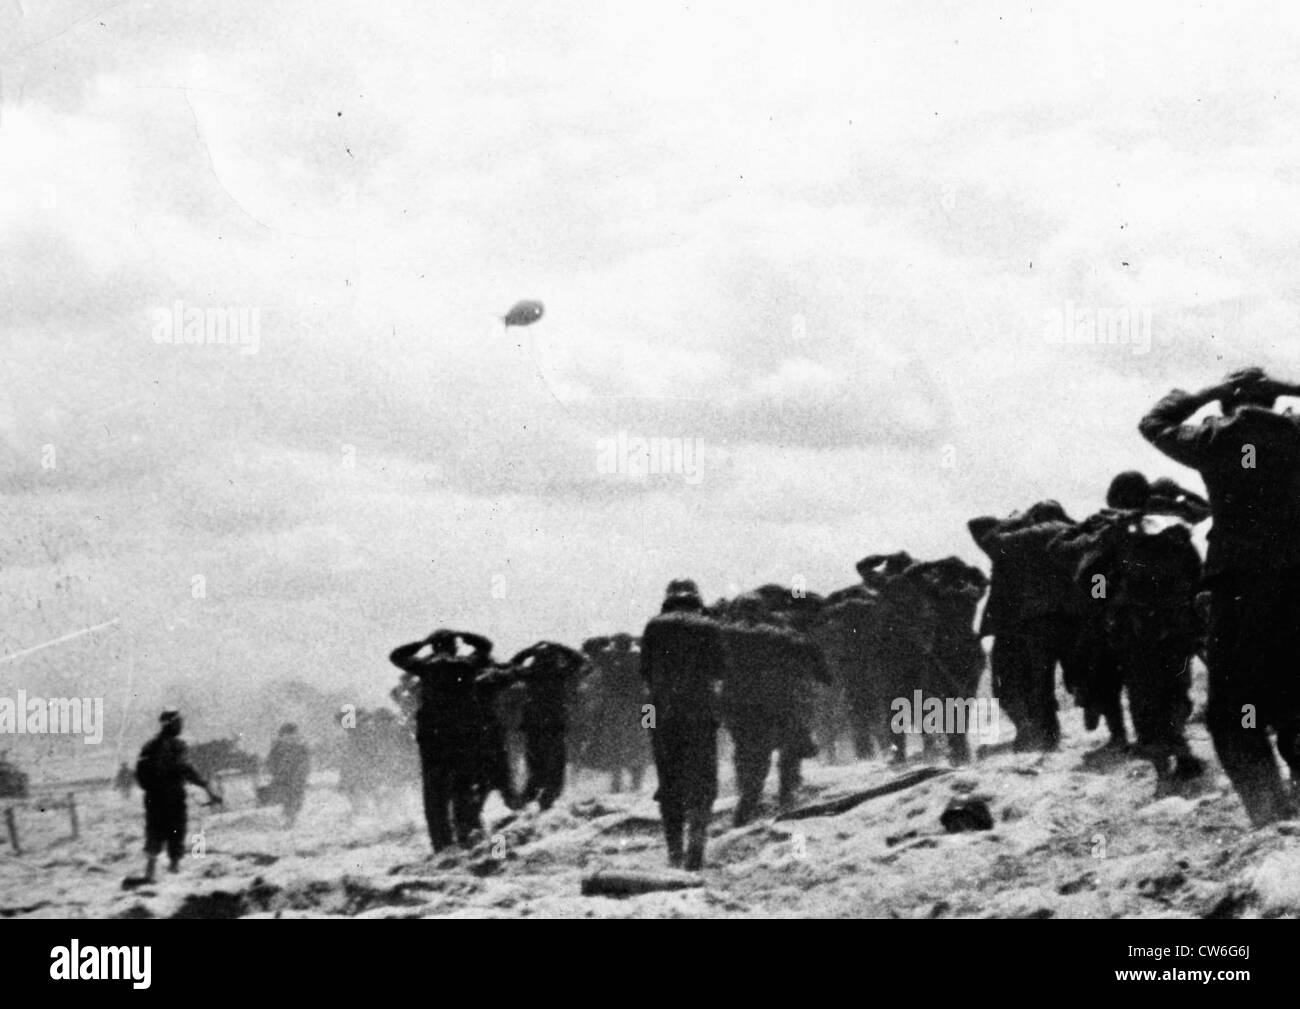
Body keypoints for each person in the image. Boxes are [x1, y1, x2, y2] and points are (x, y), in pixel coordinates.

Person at [1139, 367, 1300, 825]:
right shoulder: (1294, 431)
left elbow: (1153, 423)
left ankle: (1270, 814)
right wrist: (1289, 387)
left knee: (1234, 711)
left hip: (1240, 585)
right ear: (1271, 400)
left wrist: (1206, 393)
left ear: (1227, 402)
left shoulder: (1213, 438)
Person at [968, 502, 1084, 752]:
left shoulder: (1023, 542)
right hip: (1067, 617)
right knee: (1051, 680)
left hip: (1029, 622)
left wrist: (1014, 520)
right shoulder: (1070, 533)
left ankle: (1042, 735)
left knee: (1029, 683)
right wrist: (1098, 598)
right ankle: (1040, 733)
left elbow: (982, 531)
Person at [640, 579, 729, 870]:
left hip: (660, 714)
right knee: (703, 781)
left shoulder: (654, 626)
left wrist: (648, 725)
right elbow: (720, 669)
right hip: (700, 713)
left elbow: (645, 674)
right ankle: (697, 842)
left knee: (669, 784)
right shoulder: (708, 626)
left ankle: (674, 851)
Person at [388, 629, 496, 851]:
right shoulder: (466, 664)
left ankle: (442, 843)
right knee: (463, 786)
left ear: (434, 647)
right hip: (464, 735)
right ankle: (467, 834)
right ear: (454, 646)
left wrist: (421, 642)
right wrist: (465, 635)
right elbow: (485, 646)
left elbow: (396, 655)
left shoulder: (426, 667)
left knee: (435, 792)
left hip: (433, 738)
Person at [481, 640, 588, 811]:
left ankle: (529, 800)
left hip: (534, 725)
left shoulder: (530, 673)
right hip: (554, 725)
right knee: (555, 766)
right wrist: (559, 646)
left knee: (536, 765)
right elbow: (579, 661)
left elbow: (510, 666)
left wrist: (528, 651)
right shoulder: (559, 673)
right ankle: (545, 800)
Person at [134, 710, 222, 882]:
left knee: (154, 830)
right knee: (176, 830)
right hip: (173, 796)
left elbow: (140, 772)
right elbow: (186, 769)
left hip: (153, 797)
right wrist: (204, 785)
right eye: (179, 722)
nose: (181, 726)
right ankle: (174, 868)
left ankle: (150, 870)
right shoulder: (178, 745)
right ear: (172, 724)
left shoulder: (149, 745)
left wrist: (151, 788)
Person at [578, 634, 650, 793]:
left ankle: (618, 783)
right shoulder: (640, 657)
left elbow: (588, 647)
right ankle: (633, 784)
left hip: (618, 705)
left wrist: (605, 641)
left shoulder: (608, 657)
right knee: (641, 742)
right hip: (642, 704)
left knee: (617, 743)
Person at [261, 723, 311, 826]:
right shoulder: (279, 747)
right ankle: (289, 817)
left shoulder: (300, 747)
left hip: (294, 777)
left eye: (292, 735)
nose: (290, 738)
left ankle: (290, 818)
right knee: (288, 798)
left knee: (294, 798)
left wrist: (301, 774)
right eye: (287, 735)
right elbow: (271, 761)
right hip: (283, 778)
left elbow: (305, 762)